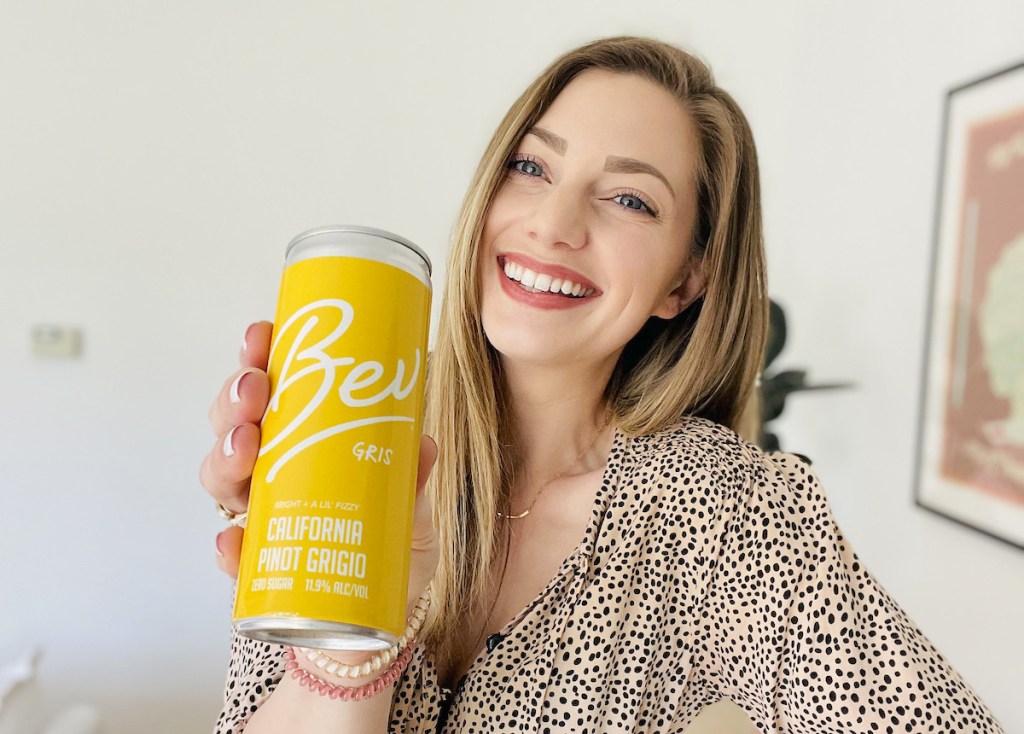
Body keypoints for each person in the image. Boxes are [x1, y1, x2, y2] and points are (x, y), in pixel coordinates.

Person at [202, 36, 1004, 733]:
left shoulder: (723, 513)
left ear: (683, 284)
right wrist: (350, 641)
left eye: (628, 198)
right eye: (531, 165)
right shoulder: (347, 429)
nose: (553, 223)